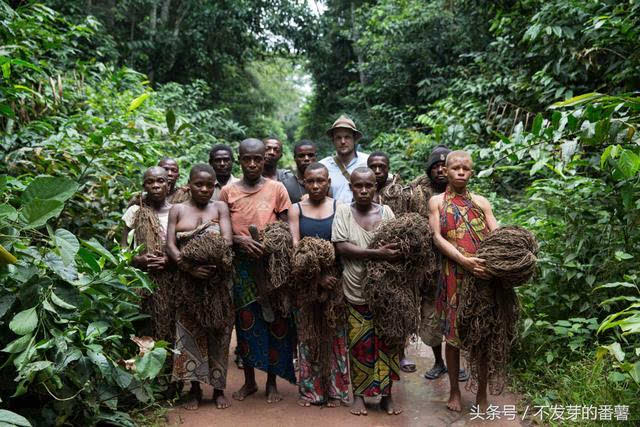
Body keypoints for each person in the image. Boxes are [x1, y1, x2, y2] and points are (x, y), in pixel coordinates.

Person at [219, 138, 296, 404]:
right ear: (239, 160)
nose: (252, 164)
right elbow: (221, 227)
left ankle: (272, 381)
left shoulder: (277, 189)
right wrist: (240, 241)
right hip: (241, 266)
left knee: (276, 322)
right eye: (247, 159)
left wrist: (269, 245)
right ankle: (250, 381)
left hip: (271, 265)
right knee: (246, 323)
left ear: (265, 159)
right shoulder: (228, 192)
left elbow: (286, 227)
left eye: (257, 159)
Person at [428, 150, 498, 412]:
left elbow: (497, 234)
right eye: (455, 168)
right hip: (452, 276)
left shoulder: (481, 202)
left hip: (481, 276)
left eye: (465, 169)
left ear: (471, 173)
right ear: (445, 171)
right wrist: (463, 260)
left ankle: (482, 393)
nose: (460, 172)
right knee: (453, 336)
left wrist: (495, 261)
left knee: (482, 335)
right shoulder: (437, 202)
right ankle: (455, 391)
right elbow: (437, 237)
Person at [332, 167, 403, 416]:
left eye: (368, 186)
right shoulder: (343, 211)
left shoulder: (387, 212)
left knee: (388, 344)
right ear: (351, 187)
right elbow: (341, 247)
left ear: (375, 187)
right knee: (359, 344)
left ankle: (386, 395)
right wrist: (377, 254)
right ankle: (360, 395)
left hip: (385, 294)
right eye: (358, 186)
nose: (363, 191)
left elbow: (398, 246)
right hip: (354, 290)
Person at [166, 164, 234, 410]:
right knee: (189, 334)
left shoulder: (220, 207)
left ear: (215, 185)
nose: (204, 189)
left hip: (217, 282)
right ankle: (194, 389)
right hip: (187, 283)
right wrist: (188, 265)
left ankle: (218, 390)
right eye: (199, 184)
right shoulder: (177, 209)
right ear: (189, 184)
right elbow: (170, 245)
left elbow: (226, 240)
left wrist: (210, 257)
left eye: (209, 185)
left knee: (219, 334)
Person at [287, 162, 349, 408]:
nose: (315, 185)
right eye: (310, 181)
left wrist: (329, 278)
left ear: (328, 183)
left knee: (335, 334)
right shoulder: (296, 209)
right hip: (306, 280)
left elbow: (342, 244)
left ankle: (337, 390)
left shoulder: (339, 207)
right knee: (309, 335)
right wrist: (316, 277)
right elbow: (296, 247)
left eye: (320, 181)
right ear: (303, 182)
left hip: (335, 280)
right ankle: (312, 391)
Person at [120, 166, 173, 341]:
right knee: (144, 326)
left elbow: (184, 248)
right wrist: (137, 259)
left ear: (168, 185)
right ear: (144, 187)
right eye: (150, 182)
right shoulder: (135, 211)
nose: (155, 186)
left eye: (160, 181)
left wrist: (168, 261)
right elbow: (122, 248)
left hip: (172, 279)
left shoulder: (177, 211)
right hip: (142, 280)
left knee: (170, 325)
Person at [320, 115, 369, 204]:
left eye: (347, 137)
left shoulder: (367, 162)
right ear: (333, 141)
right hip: (334, 216)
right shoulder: (323, 166)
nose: (343, 141)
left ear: (354, 139)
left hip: (362, 216)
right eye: (338, 138)